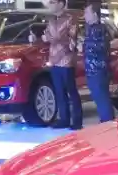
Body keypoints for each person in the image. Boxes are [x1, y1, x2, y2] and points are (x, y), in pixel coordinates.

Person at [30, 0, 81, 130]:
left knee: (71, 91)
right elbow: (46, 37)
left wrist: (53, 39)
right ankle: (64, 119)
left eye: (53, 2)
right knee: (59, 91)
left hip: (66, 60)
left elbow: (72, 41)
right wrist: (37, 39)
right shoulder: (51, 20)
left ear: (61, 3)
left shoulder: (71, 19)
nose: (50, 5)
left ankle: (77, 120)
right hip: (54, 60)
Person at [83, 0, 113, 123]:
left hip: (98, 71)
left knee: (102, 99)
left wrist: (84, 45)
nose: (84, 15)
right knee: (98, 98)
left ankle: (108, 123)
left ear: (95, 14)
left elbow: (102, 46)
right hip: (91, 71)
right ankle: (105, 121)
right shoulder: (89, 29)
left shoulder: (101, 29)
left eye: (87, 13)